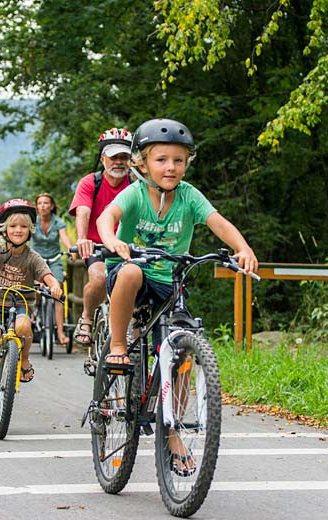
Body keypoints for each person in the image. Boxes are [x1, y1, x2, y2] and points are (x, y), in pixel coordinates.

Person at [97, 119, 258, 472]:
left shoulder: (189, 196)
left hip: (170, 282)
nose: (171, 167)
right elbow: (108, 216)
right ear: (142, 163)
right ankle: (119, 344)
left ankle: (172, 432)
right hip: (131, 275)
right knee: (132, 271)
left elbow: (218, 222)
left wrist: (241, 247)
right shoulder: (135, 194)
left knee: (183, 352)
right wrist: (111, 239)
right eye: (162, 159)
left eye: (179, 160)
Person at [0, 199, 62, 405]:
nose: (18, 230)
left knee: (24, 325)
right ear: (4, 230)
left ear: (30, 230)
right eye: (13, 226)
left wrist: (54, 286)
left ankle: (24, 360)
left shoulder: (33, 257)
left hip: (21, 302)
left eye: (24, 226)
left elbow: (47, 276)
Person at [68, 127, 133, 347]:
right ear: (103, 158)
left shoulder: (137, 186)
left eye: (124, 157)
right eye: (114, 156)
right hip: (97, 245)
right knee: (98, 278)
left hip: (129, 247)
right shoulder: (90, 183)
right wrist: (82, 238)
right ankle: (86, 317)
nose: (119, 162)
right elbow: (83, 211)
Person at [31, 192, 73, 345]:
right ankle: (32, 317)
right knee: (36, 288)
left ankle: (60, 332)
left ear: (52, 206)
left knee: (58, 292)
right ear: (37, 206)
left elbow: (64, 237)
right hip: (36, 261)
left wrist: (71, 249)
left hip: (54, 260)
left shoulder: (58, 222)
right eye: (40, 203)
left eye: (46, 203)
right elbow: (25, 236)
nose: (43, 206)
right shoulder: (32, 222)